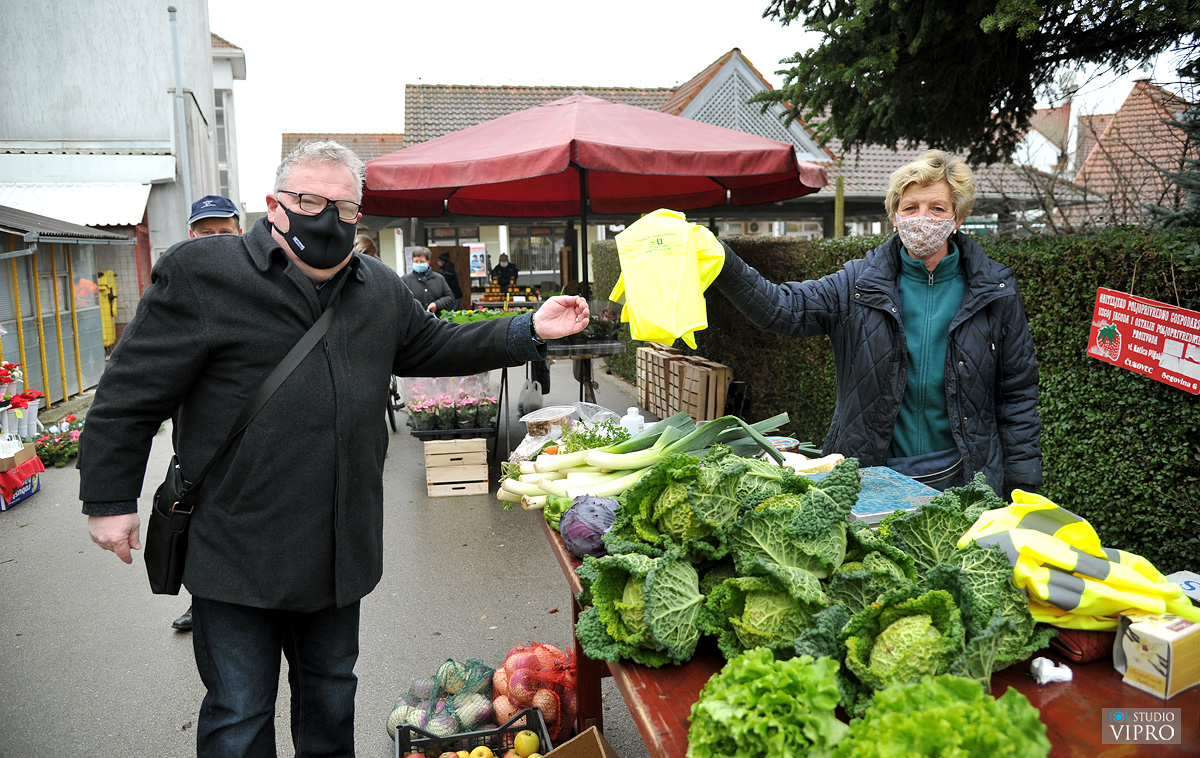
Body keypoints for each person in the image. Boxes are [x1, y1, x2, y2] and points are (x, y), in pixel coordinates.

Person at [79, 139, 589, 757]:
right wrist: (109, 498)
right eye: (308, 200)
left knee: (330, 699)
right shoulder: (205, 276)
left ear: (358, 216)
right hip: (237, 546)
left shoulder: (377, 288)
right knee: (239, 712)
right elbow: (130, 392)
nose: (327, 216)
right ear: (274, 205)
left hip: (336, 549)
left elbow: (434, 347)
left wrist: (527, 327)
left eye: (343, 207)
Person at [711, 150, 1042, 496]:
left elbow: (1017, 394)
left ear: (957, 219)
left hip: (964, 481)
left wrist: (1023, 484)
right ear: (895, 217)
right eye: (911, 208)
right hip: (870, 480)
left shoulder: (995, 291)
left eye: (937, 209)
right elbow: (782, 308)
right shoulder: (858, 284)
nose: (922, 218)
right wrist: (721, 259)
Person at [170, 194, 244, 634]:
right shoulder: (178, 285)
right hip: (199, 436)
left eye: (223, 230)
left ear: (239, 230)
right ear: (191, 234)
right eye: (205, 231)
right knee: (197, 521)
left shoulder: (258, 281)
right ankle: (203, 604)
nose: (215, 239)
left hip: (249, 429)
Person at [400, 246, 457, 314]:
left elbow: (450, 297)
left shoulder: (439, 279)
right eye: (416, 261)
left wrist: (437, 304)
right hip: (414, 321)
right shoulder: (405, 280)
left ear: (428, 262)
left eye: (421, 261)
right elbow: (399, 300)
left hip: (436, 320)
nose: (418, 264)